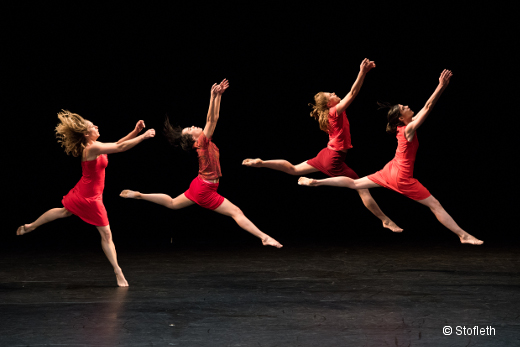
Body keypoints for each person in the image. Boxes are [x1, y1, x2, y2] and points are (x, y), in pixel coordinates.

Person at [298, 70, 483, 245]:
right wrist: (441, 85)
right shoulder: (409, 129)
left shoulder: (405, 127)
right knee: (435, 205)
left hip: (389, 170)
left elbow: (421, 112)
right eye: (404, 108)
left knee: (355, 184)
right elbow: (428, 106)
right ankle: (463, 235)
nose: (408, 107)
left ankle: (316, 182)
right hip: (402, 177)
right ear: (401, 118)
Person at [242, 58, 402, 232]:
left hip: (326, 154)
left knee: (294, 169)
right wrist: (362, 72)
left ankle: (262, 162)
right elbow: (353, 92)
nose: (334, 93)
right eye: (331, 95)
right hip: (333, 159)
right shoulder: (335, 111)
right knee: (362, 188)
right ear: (329, 104)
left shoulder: (327, 115)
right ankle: (384, 220)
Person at [120, 79, 283, 248]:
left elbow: (214, 118)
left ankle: (140, 195)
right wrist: (213, 96)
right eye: (190, 129)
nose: (192, 126)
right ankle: (263, 237)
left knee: (173, 203)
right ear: (193, 138)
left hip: (199, 184)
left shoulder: (203, 141)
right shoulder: (202, 143)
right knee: (236, 212)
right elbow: (211, 120)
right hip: (205, 190)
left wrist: (217, 96)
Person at [16, 110, 156, 286]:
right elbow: (120, 148)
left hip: (85, 190)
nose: (97, 127)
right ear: (86, 133)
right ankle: (118, 271)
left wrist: (135, 132)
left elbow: (118, 143)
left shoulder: (94, 145)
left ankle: (31, 226)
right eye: (93, 126)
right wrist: (143, 137)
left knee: (65, 211)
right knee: (106, 234)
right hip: (90, 197)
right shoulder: (92, 147)